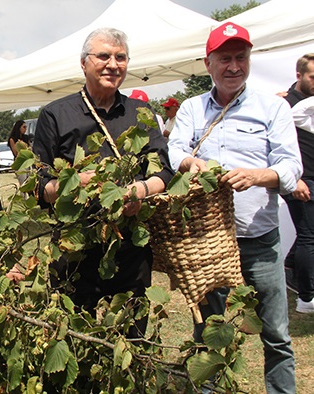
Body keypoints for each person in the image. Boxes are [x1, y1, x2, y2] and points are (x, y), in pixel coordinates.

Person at [167, 22, 300, 393]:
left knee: (275, 333)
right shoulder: (193, 109)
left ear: (249, 60)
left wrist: (260, 175)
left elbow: (291, 166)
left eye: (241, 57)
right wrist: (191, 164)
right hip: (208, 242)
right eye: (224, 59)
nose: (234, 66)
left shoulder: (273, 107)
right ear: (208, 64)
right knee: (209, 332)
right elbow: (174, 149)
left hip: (260, 239)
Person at [32, 27, 173, 336]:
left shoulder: (141, 113)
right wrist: (75, 183)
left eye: (120, 57)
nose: (113, 64)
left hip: (130, 252)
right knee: (71, 339)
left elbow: (164, 171)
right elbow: (38, 185)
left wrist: (141, 189)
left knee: (130, 342)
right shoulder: (56, 115)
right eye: (104, 56)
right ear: (84, 63)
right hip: (74, 252)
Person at [279, 54, 314, 312]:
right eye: (312, 76)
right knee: (308, 235)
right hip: (300, 179)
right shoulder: (283, 103)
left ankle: (290, 265)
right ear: (299, 75)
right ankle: (307, 297)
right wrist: (295, 179)